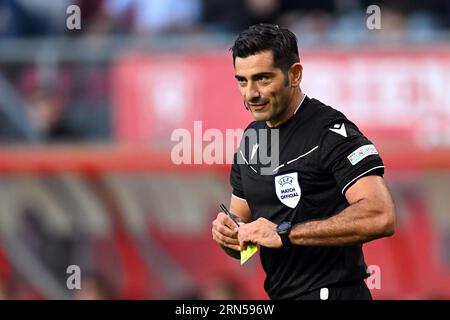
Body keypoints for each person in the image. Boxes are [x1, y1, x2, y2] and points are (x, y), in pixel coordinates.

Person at [211, 23, 396, 300]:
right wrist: (230, 235)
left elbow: (381, 215)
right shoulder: (252, 139)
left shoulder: (330, 132)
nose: (251, 93)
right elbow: (245, 238)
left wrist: (286, 234)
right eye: (242, 80)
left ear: (294, 75)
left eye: (263, 78)